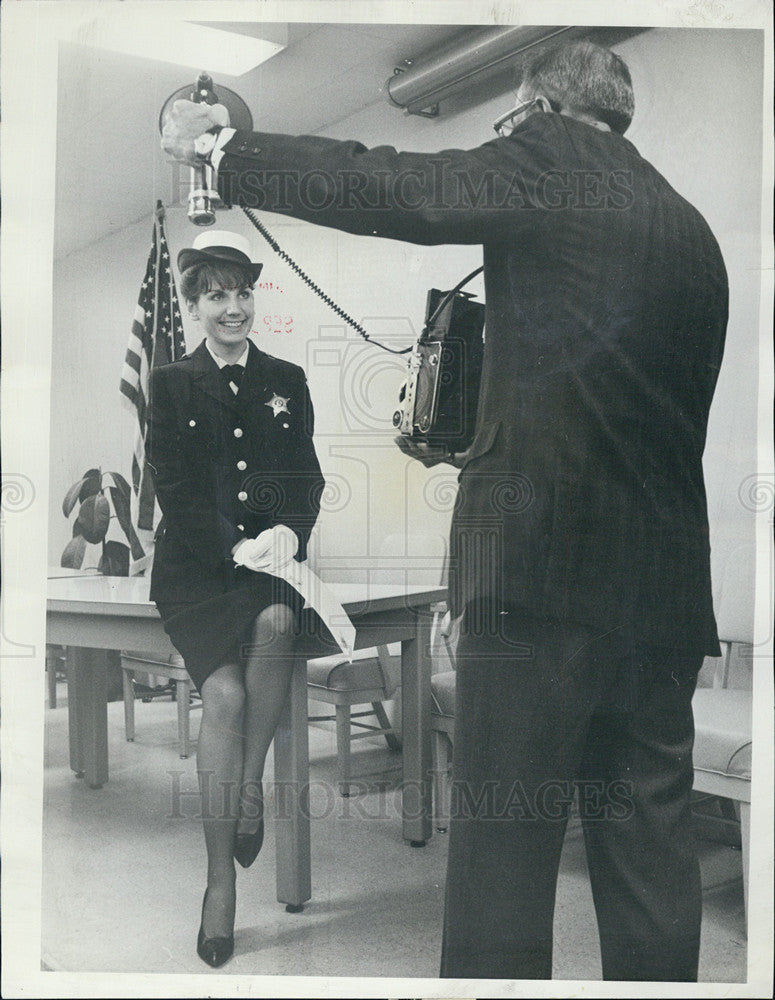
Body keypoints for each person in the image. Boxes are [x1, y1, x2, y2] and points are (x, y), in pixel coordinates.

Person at [161, 40, 728, 981]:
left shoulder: (550, 156)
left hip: (538, 583)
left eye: (508, 126)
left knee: (503, 867)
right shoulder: (690, 228)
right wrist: (478, 438)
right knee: (650, 866)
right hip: (664, 597)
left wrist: (227, 156)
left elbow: (394, 185)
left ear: (541, 110)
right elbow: (616, 409)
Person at [146, 230, 325, 968]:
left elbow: (305, 477)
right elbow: (175, 487)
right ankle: (219, 882)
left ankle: (246, 791)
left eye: (243, 292)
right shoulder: (169, 382)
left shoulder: (285, 377)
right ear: (191, 305)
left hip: (267, 564)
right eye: (216, 294)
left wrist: (288, 530)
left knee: (281, 618)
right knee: (221, 699)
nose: (233, 307)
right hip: (196, 567)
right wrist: (229, 544)